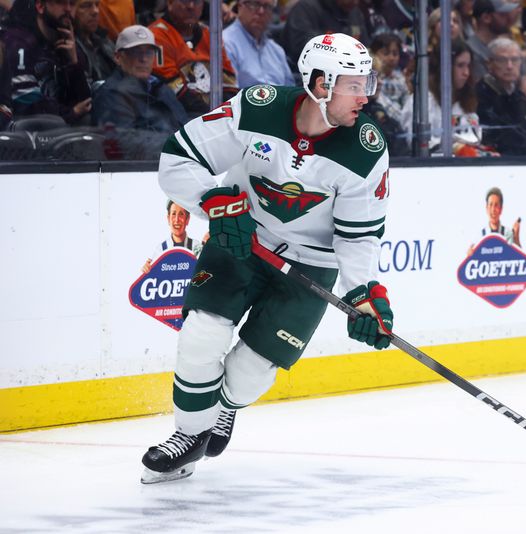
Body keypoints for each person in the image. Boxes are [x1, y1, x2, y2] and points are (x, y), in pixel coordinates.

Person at [141, 33, 393, 483]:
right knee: (202, 334)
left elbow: (358, 237)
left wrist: (363, 294)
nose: (366, 95)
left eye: (366, 83)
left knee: (251, 370)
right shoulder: (257, 107)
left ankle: (226, 408)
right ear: (320, 84)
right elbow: (178, 159)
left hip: (310, 263)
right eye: (354, 85)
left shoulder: (366, 149)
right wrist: (213, 202)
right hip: (241, 238)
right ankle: (187, 435)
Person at [0, 0, 92, 125]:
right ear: (40, 6)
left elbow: (86, 103)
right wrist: (72, 113)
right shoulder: (18, 42)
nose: (68, 9)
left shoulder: (71, 46)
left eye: (72, 3)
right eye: (61, 3)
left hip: (67, 132)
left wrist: (74, 64)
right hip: (27, 135)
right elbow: (25, 103)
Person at [402, 39, 496, 157]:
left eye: (468, 66)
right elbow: (419, 147)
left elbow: (474, 139)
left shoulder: (466, 102)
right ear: (443, 67)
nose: (466, 72)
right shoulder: (420, 103)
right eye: (460, 66)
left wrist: (483, 153)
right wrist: (457, 150)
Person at [149, 0, 238, 118]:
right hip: (182, 118)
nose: (191, 7)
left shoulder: (210, 34)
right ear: (170, 3)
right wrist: (217, 117)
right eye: (185, 1)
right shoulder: (156, 36)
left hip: (218, 115)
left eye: (197, 2)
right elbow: (175, 93)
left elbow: (229, 84)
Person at [92, 25, 188, 135]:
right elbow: (124, 144)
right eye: (135, 52)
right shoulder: (109, 95)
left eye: (149, 52)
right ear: (118, 57)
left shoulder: (162, 88)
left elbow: (185, 127)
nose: (144, 59)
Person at [476, 37, 526, 156]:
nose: (510, 66)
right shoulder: (482, 93)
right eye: (502, 60)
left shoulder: (517, 94)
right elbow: (501, 132)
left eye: (515, 60)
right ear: (489, 64)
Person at [222, 0, 294, 87]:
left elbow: (291, 94)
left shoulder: (277, 51)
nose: (261, 11)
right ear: (239, 6)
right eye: (254, 4)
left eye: (267, 7)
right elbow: (230, 95)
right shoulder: (225, 44)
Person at [280, 0, 370, 67]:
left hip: (347, 73)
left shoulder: (355, 12)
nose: (355, 2)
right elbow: (300, 46)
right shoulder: (306, 7)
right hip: (306, 72)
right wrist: (341, 49)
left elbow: (364, 46)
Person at [142, 200, 205, 274]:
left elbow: (204, 271)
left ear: (187, 219)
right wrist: (147, 270)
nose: (177, 220)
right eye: (174, 214)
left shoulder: (196, 246)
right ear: (168, 219)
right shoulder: (161, 249)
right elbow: (155, 277)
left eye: (181, 214)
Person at [466, 0, 518, 83]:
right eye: (502, 15)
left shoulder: (505, 47)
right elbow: (484, 89)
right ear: (486, 18)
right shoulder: (472, 50)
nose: (508, 18)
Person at [72, 0, 116, 87]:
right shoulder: (70, 48)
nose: (95, 11)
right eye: (86, 6)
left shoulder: (103, 39)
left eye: (97, 5)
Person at [368, 31, 409, 124]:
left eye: (395, 54)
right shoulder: (370, 78)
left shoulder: (401, 79)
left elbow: (407, 104)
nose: (391, 58)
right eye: (386, 53)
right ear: (374, 53)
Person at [468, 186, 520, 255]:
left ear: (501, 209)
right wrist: (470, 254)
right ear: (486, 208)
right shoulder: (480, 236)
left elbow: (519, 259)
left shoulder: (508, 234)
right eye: (490, 205)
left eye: (496, 205)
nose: (493, 210)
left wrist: (516, 238)